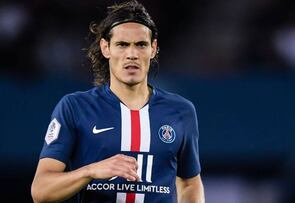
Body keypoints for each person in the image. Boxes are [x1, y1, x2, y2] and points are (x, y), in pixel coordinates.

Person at [31, 1, 205, 202]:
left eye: (141, 45)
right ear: (106, 48)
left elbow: (189, 182)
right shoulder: (75, 107)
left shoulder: (181, 111)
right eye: (122, 45)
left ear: (153, 48)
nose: (132, 54)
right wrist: (91, 171)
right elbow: (41, 191)